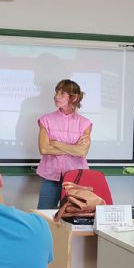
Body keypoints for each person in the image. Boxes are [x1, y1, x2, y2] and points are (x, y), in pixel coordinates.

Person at [36, 79, 92, 209]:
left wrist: (55, 143)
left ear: (74, 97)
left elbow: (82, 152)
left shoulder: (85, 123)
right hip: (50, 178)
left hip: (76, 178)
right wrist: (73, 148)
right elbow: (44, 149)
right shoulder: (46, 120)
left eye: (62, 93)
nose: (56, 97)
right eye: (56, 92)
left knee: (72, 217)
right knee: (44, 216)